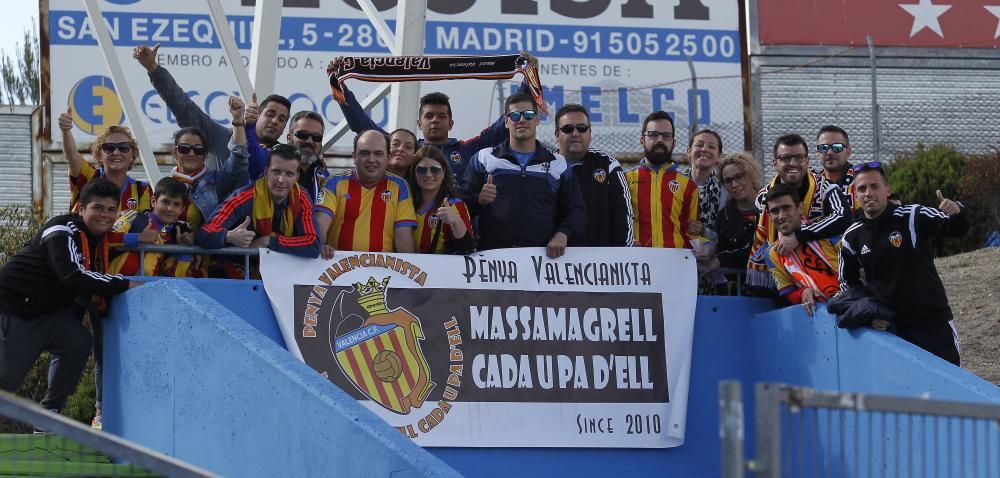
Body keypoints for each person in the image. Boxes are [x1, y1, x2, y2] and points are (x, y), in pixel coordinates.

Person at [0, 179, 141, 419]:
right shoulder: (61, 229)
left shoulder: (99, 238)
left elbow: (120, 243)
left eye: (110, 209)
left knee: (77, 342)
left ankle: (49, 415)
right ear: (81, 208)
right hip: (17, 308)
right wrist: (124, 282)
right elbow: (73, 276)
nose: (104, 215)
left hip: (50, 313)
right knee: (6, 382)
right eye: (97, 207)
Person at [327, 54, 538, 184]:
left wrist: (528, 81)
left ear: (451, 123)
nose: (435, 120)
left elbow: (504, 125)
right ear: (419, 123)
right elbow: (363, 126)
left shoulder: (467, 150)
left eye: (441, 116)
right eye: (429, 116)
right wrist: (340, 85)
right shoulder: (404, 149)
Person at [839, 162, 967, 366]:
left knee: (948, 392)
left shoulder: (912, 216)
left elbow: (954, 229)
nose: (868, 193)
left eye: (875, 186)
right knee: (906, 394)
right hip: (890, 329)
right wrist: (869, 315)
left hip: (933, 323)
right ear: (855, 195)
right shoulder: (851, 237)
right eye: (862, 189)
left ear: (887, 190)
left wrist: (957, 211)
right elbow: (848, 286)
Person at [459, 92, 586, 258]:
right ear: (506, 121)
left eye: (528, 114)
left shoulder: (558, 164)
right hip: (493, 259)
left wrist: (563, 233)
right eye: (515, 115)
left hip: (542, 260)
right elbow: (460, 205)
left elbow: (577, 210)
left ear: (537, 119)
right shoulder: (484, 158)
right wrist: (478, 200)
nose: (522, 120)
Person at [133, 43, 291, 171]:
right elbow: (182, 106)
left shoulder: (288, 158)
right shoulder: (220, 137)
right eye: (270, 114)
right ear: (256, 114)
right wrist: (153, 68)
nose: (275, 120)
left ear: (285, 127)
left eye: (282, 119)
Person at [747, 134, 851, 287]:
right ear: (775, 163)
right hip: (781, 276)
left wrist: (798, 236)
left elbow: (843, 217)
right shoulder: (762, 198)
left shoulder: (826, 188)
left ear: (807, 160)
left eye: (799, 157)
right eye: (785, 158)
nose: (793, 163)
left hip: (828, 275)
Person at [196, 144, 320, 261]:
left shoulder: (301, 196)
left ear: (297, 177)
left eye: (289, 174)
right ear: (266, 172)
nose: (281, 180)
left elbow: (313, 244)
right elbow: (204, 233)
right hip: (238, 268)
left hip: (277, 272)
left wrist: (268, 242)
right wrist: (228, 236)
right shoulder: (244, 196)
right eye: (276, 172)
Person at [314, 130, 417, 257]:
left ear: (388, 158)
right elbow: (321, 224)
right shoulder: (334, 182)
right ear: (354, 157)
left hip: (382, 272)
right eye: (364, 153)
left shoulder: (400, 186)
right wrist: (319, 244)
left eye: (378, 153)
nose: (371, 159)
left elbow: (404, 241)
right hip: (339, 270)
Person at [554, 104, 632, 247]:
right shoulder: (544, 167)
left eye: (582, 128)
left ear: (590, 132)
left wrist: (623, 255)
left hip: (601, 264)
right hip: (554, 263)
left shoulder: (608, 164)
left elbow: (623, 214)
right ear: (557, 135)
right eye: (568, 129)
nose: (575, 133)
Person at [168, 97, 251, 231]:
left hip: (204, 250)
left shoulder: (216, 182)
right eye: (184, 148)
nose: (191, 154)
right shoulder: (164, 185)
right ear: (175, 152)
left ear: (205, 155)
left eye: (198, 149)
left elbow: (238, 158)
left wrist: (238, 120)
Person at [763, 183, 841, 316]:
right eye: (775, 211)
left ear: (799, 208)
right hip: (820, 317)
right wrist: (802, 292)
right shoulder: (772, 254)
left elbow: (856, 271)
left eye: (786, 208)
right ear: (769, 216)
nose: (781, 216)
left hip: (851, 303)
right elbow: (788, 292)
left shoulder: (825, 231)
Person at [626, 111, 700, 249]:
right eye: (653, 135)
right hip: (636, 263)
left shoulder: (688, 186)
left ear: (674, 143)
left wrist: (704, 244)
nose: (659, 140)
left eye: (666, 136)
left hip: (674, 263)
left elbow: (694, 234)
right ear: (642, 140)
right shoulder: (624, 180)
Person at [59, 111, 151, 213]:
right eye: (109, 148)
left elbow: (147, 225)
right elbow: (71, 156)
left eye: (123, 147)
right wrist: (65, 130)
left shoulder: (142, 190)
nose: (116, 152)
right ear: (99, 155)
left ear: (132, 155)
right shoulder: (89, 177)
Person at [108, 177, 196, 277]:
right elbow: (106, 240)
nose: (170, 208)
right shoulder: (134, 217)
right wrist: (138, 237)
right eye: (165, 202)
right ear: (154, 202)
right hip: (115, 288)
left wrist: (184, 251)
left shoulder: (176, 234)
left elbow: (177, 279)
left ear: (182, 209)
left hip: (149, 290)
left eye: (176, 204)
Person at [243, 107, 331, 203]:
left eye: (316, 137)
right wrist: (249, 125)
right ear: (289, 138)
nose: (309, 141)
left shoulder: (324, 176)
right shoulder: (269, 159)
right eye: (303, 135)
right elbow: (250, 151)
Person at [706, 152, 764, 295]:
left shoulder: (771, 205)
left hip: (776, 289)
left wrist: (722, 260)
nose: (734, 184)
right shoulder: (723, 218)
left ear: (751, 174)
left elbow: (763, 248)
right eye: (728, 180)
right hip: (741, 292)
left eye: (739, 177)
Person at [408, 146, 475, 254]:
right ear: (414, 173)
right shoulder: (405, 203)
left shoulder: (454, 204)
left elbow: (467, 249)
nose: (428, 174)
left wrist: (456, 221)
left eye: (435, 169)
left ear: (443, 172)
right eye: (421, 170)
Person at [683, 129, 728, 241]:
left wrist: (704, 232)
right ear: (689, 151)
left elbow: (728, 235)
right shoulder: (675, 184)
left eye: (711, 147)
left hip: (711, 255)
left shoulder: (725, 191)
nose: (704, 149)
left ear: (719, 156)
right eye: (699, 145)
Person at [814, 125, 855, 206]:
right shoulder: (812, 185)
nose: (829, 152)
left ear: (848, 152)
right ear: (817, 153)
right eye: (823, 148)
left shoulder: (861, 181)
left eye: (837, 147)